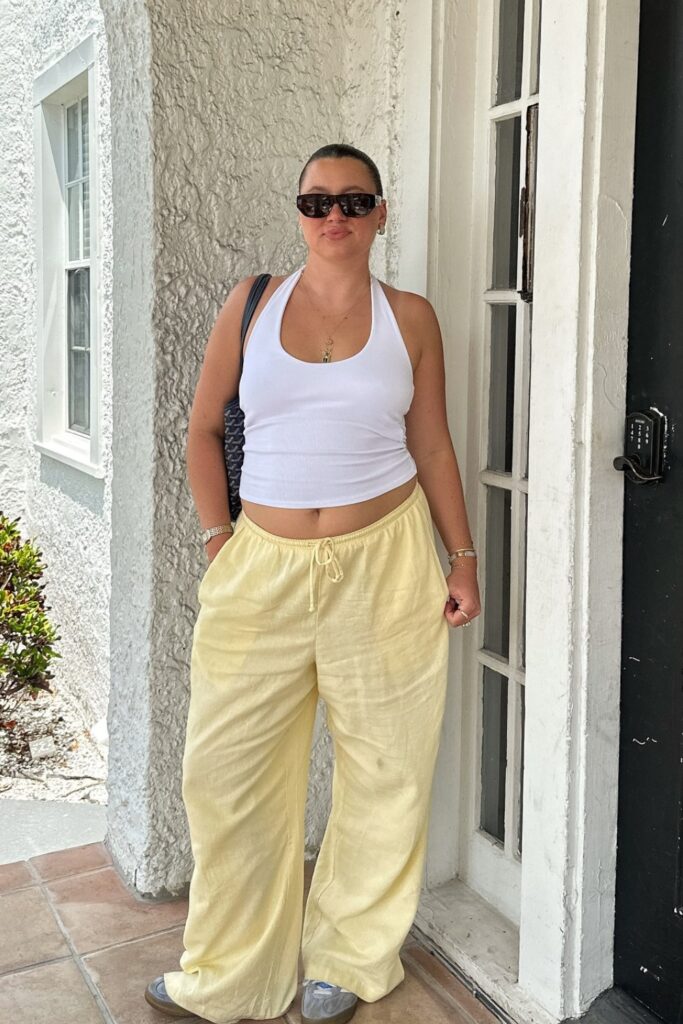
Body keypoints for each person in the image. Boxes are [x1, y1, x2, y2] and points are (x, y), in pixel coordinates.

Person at [145, 143, 481, 1024]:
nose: (333, 216)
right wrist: (219, 536)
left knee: (386, 766)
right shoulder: (250, 305)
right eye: (316, 200)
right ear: (297, 210)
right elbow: (202, 427)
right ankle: (226, 972)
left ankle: (349, 956)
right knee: (226, 771)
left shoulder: (410, 317)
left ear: (379, 213)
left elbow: (433, 444)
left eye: (353, 200)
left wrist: (463, 559)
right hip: (262, 564)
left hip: (388, 560)